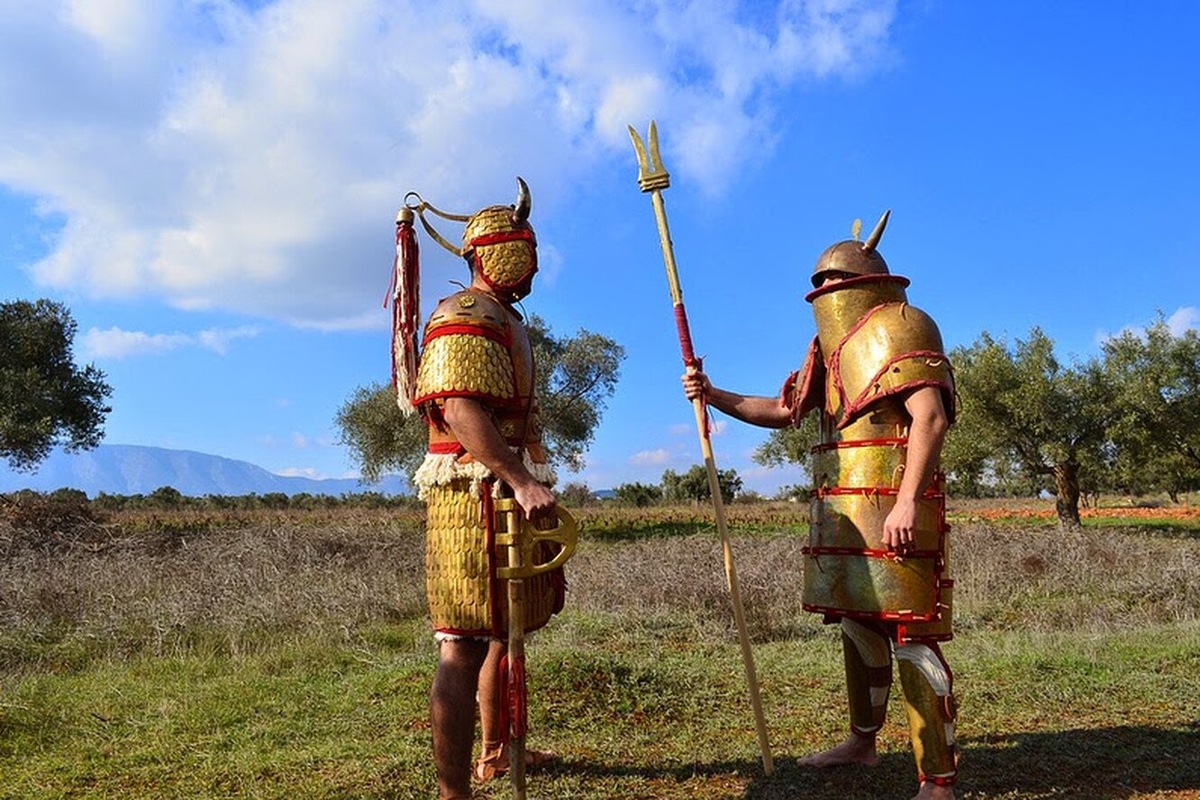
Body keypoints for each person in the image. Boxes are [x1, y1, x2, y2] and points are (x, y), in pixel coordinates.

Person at [682, 211, 959, 800]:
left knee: (912, 632)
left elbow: (929, 418)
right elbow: (783, 412)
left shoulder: (903, 326)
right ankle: (862, 742)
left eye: (835, 282)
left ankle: (937, 781)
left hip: (897, 503)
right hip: (845, 510)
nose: (827, 291)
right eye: (822, 282)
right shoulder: (826, 349)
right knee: (858, 624)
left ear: (861, 283)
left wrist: (907, 500)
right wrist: (715, 394)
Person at [395, 178, 564, 800]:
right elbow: (461, 407)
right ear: (497, 251)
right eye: (525, 248)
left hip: (503, 490)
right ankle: (453, 792)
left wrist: (528, 475)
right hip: (471, 494)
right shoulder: (465, 314)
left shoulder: (505, 318)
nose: (533, 263)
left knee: (500, 630)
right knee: (462, 643)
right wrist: (519, 478)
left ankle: (496, 751)